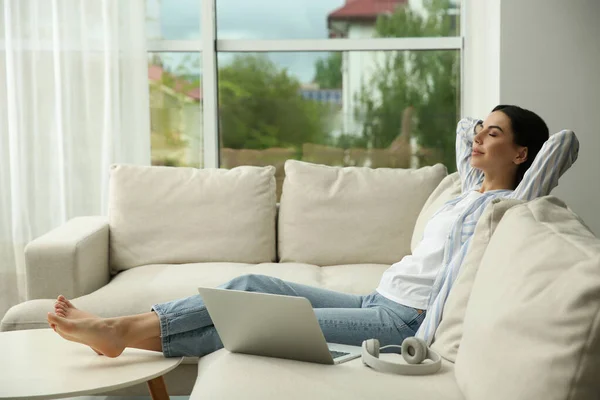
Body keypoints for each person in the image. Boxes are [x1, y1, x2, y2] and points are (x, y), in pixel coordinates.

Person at [47, 105, 579, 358]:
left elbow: (560, 151)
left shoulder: (507, 206)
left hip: (403, 323)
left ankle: (119, 332)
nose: (477, 139)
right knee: (252, 287)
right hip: (379, 299)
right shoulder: (470, 193)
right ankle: (123, 332)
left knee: (252, 323)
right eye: (480, 131)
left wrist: (525, 161)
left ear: (521, 155)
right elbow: (470, 137)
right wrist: (485, 138)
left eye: (494, 134)